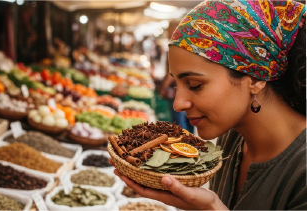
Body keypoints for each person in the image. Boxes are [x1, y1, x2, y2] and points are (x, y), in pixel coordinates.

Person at [110, 0, 306, 210]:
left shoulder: (300, 175)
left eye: (195, 85)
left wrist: (211, 207)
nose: (178, 104)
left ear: (256, 79)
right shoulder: (231, 139)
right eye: (176, 84)